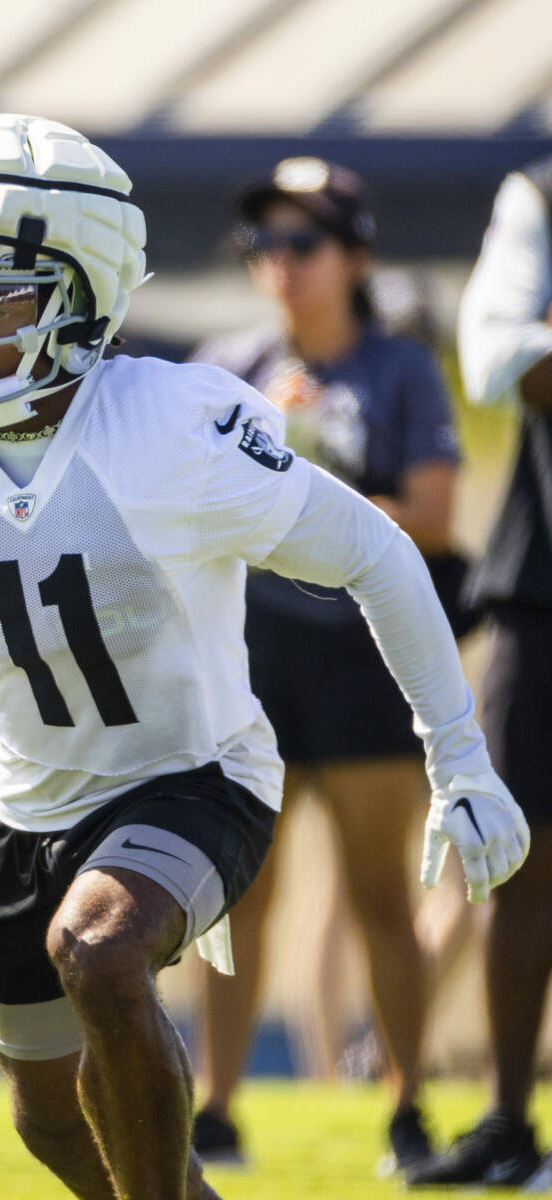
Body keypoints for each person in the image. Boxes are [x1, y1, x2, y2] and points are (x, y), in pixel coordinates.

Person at [0, 113, 529, 1200]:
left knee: (98, 951)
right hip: (30, 805)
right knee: (49, 1118)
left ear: (83, 293)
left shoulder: (168, 425)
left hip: (194, 777)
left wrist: (458, 758)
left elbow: (377, 554)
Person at [188, 158, 465, 1174]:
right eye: (263, 244)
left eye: (302, 242)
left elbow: (431, 520)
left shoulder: (395, 369)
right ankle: (214, 1108)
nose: (280, 264)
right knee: (236, 889)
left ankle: (404, 1103)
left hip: (360, 658)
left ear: (352, 255)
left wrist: (313, 477)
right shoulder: (227, 364)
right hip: (249, 658)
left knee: (375, 891)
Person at [405, 157, 552, 1189]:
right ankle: (506, 1121)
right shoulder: (536, 193)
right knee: (518, 859)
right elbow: (501, 355)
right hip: (544, 583)